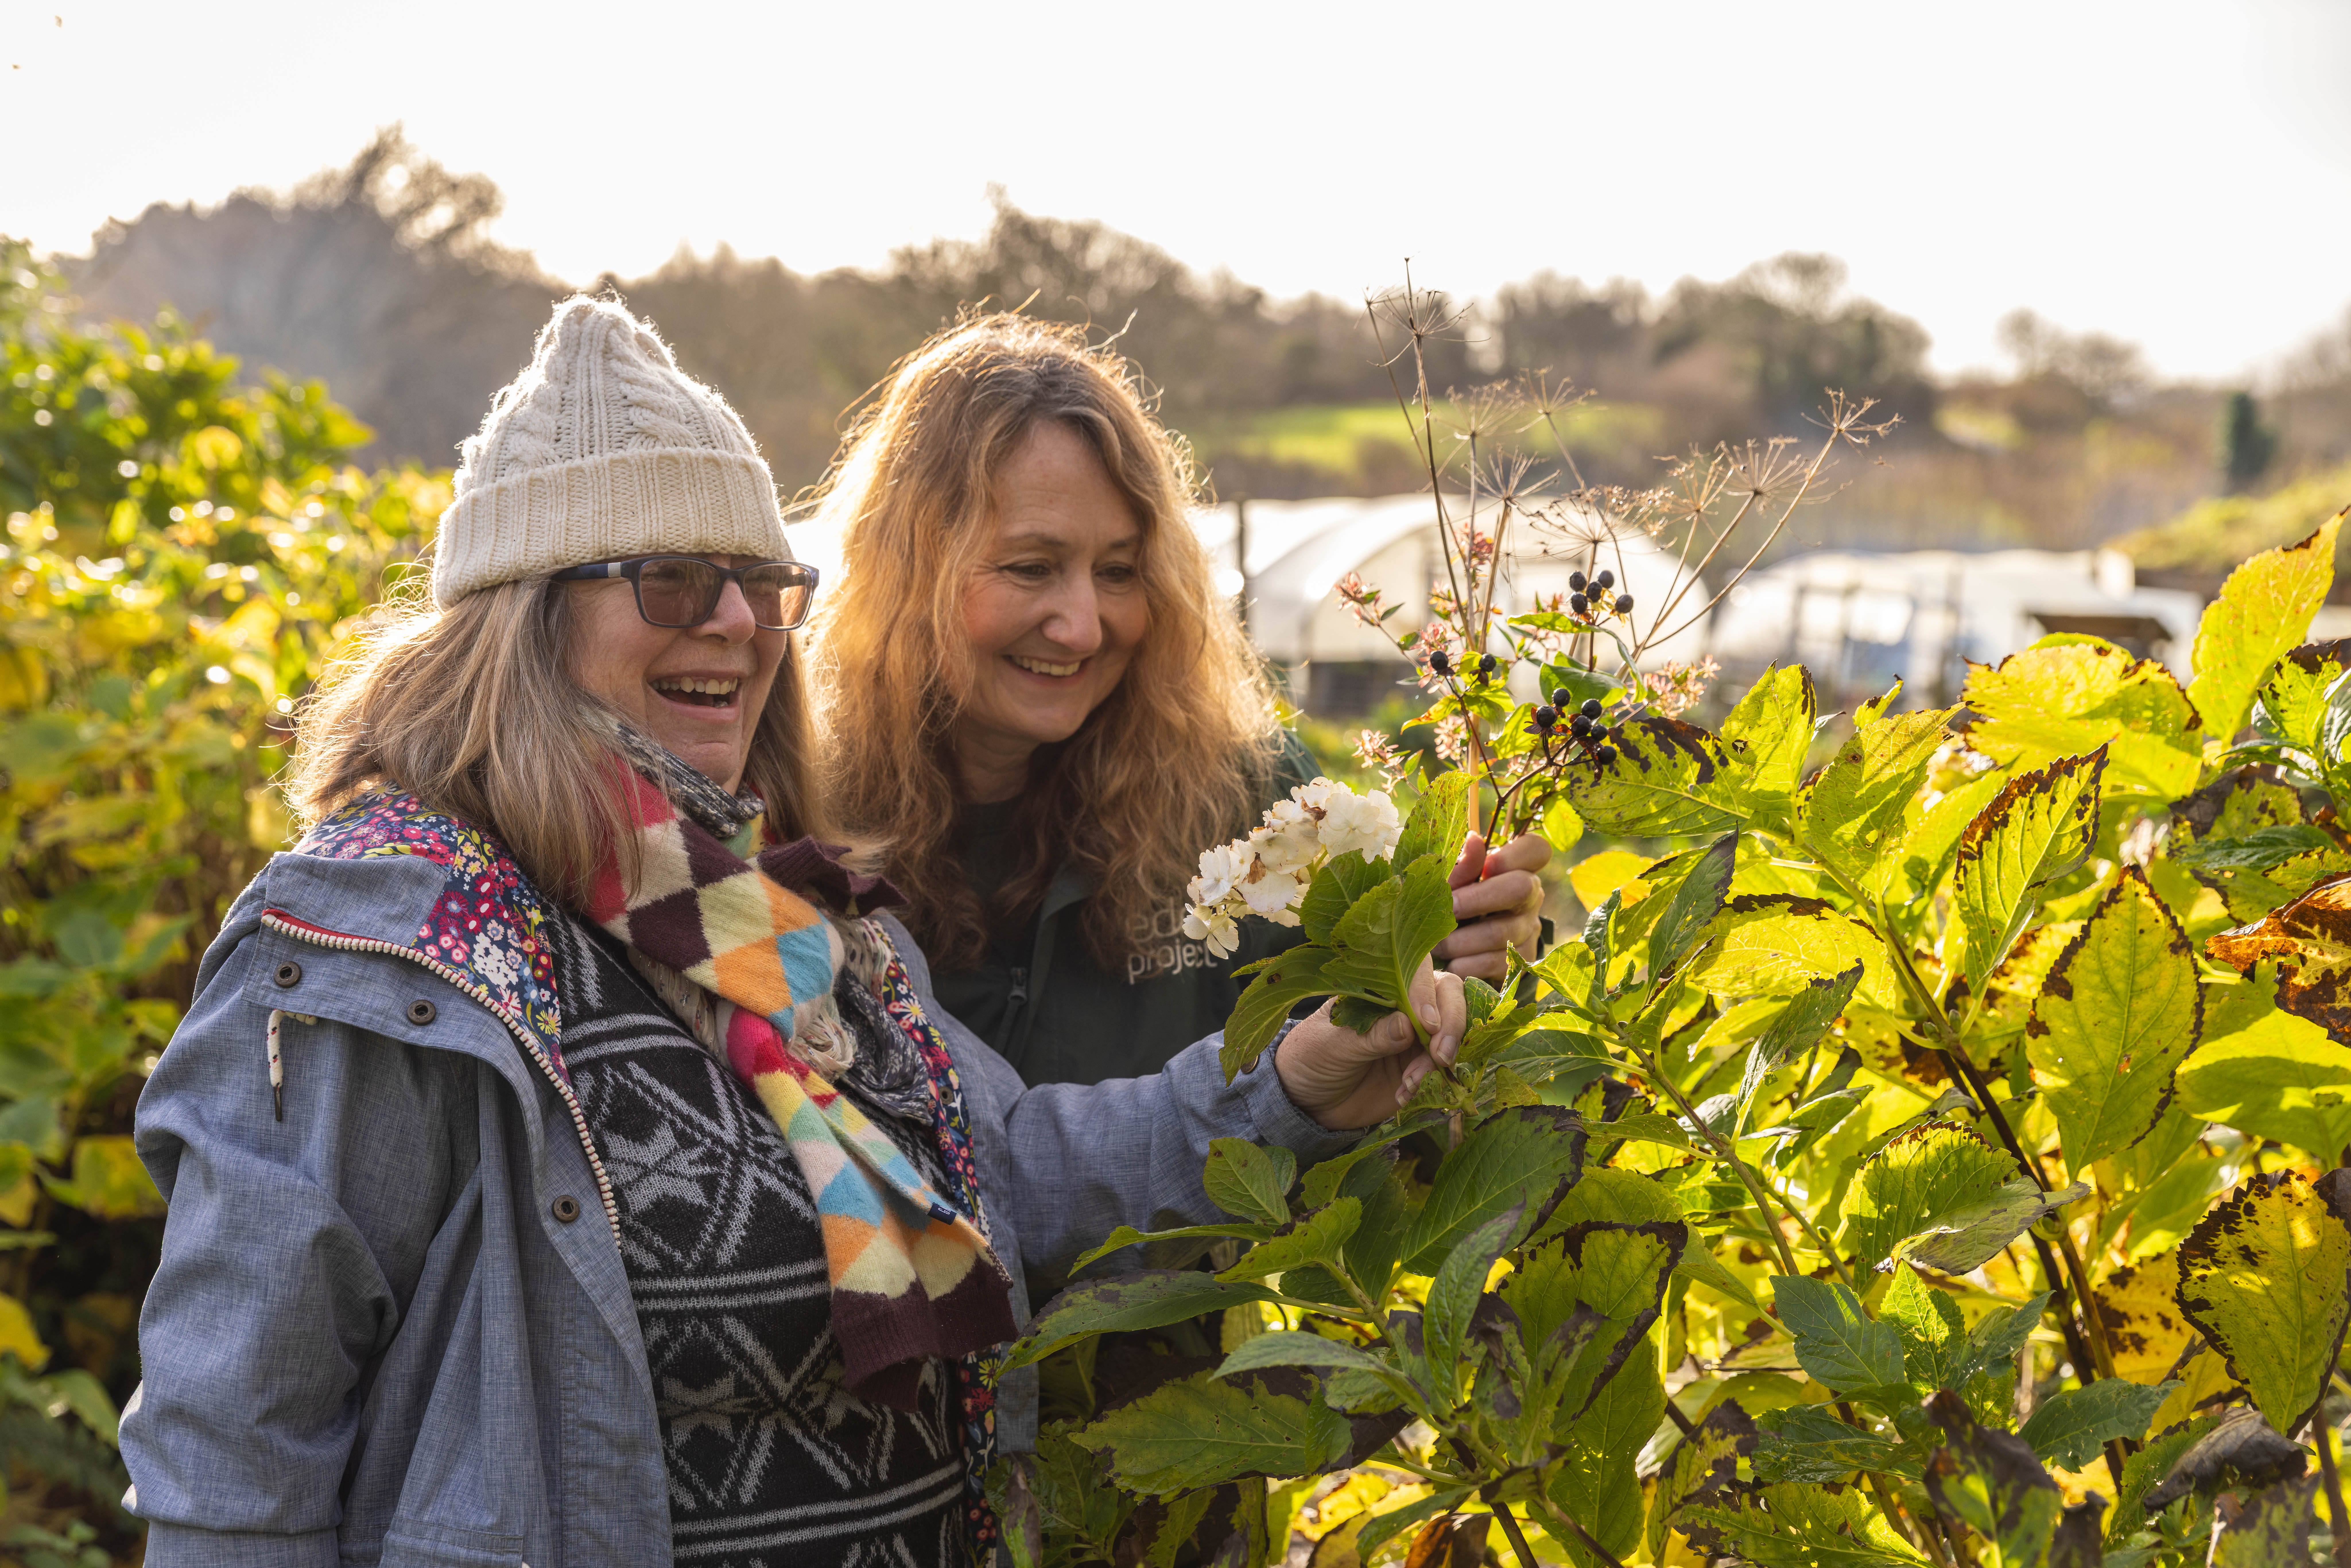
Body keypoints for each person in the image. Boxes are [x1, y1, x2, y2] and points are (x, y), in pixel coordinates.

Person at [118, 298, 1464, 1568]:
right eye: (669, 578)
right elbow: (232, 1444)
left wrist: (1292, 1086)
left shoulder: (757, 910)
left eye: (761, 580)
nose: (736, 622)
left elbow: (1004, 1180)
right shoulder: (391, 950)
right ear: (524, 616)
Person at [806, 316, 1549, 1090]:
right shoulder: (804, 811)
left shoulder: (1237, 791)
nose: (1084, 626)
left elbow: (1373, 1081)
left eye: (1121, 572)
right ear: (908, 572)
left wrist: (1461, 957)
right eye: (1032, 568)